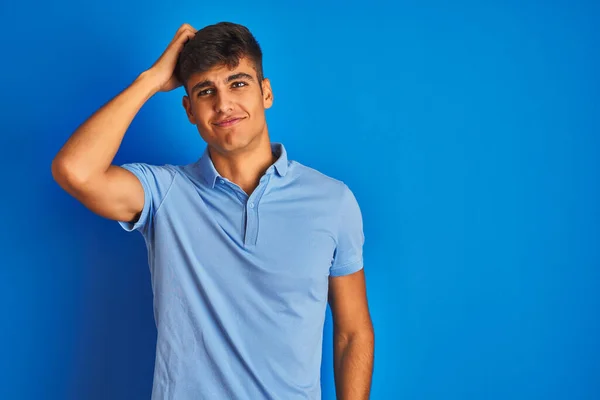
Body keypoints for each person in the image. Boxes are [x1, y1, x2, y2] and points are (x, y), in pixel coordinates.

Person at [52, 21, 374, 400]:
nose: (223, 104)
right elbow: (76, 170)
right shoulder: (164, 193)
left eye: (238, 83)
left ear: (265, 92)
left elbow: (353, 332)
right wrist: (151, 80)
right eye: (206, 91)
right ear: (189, 109)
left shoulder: (332, 201)